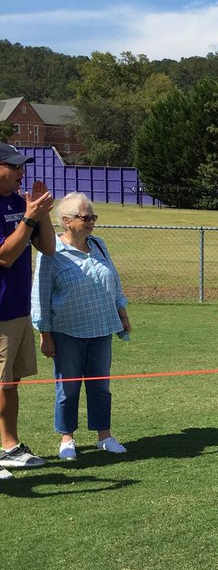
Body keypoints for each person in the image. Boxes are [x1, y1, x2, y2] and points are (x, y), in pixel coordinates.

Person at [31, 192, 131, 459]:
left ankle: (104, 436)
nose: (91, 222)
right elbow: (41, 294)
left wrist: (122, 313)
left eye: (93, 217)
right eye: (85, 217)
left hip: (101, 329)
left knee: (100, 386)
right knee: (68, 388)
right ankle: (67, 439)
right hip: (67, 332)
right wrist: (45, 333)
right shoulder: (51, 252)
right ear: (66, 220)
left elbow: (114, 281)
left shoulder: (99, 245)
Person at [0, 142, 55, 472]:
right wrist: (29, 219)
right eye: (14, 167)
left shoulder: (18, 203)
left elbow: (47, 248)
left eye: (23, 167)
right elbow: (5, 256)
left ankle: (10, 446)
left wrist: (39, 213)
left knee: (11, 382)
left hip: (17, 308)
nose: (22, 173)